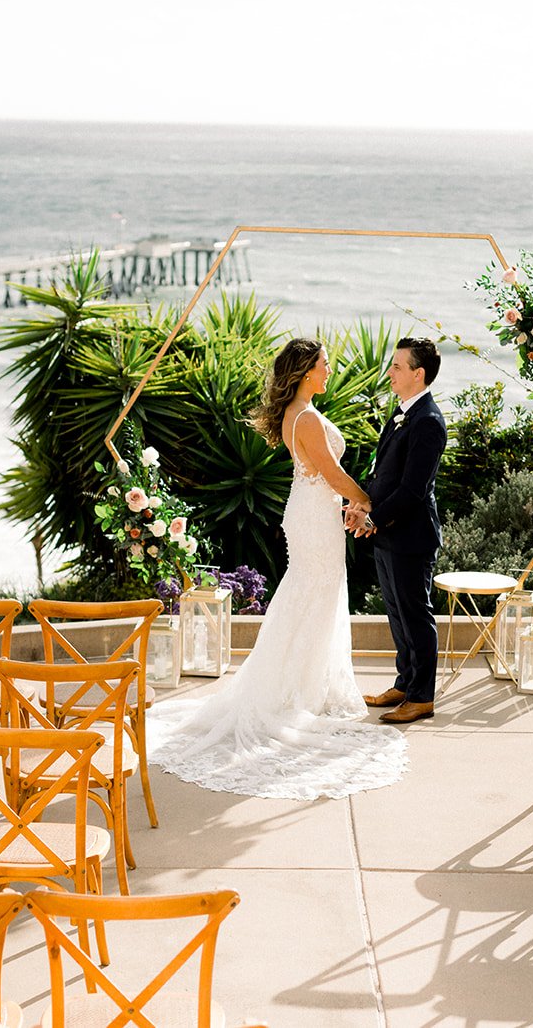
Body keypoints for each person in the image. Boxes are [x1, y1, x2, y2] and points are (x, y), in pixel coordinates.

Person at [145, 338, 408, 800]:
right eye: (325, 365)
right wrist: (365, 499)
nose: (330, 371)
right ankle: (293, 693)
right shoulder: (305, 418)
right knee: (312, 595)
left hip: (312, 512)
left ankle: (306, 687)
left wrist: (350, 501)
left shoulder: (300, 412)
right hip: (312, 514)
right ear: (307, 371)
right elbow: (330, 472)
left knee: (314, 596)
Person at [348, 337, 447, 724]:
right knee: (396, 614)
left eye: (397, 367)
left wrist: (373, 519)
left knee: (415, 615)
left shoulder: (428, 422)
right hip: (388, 533)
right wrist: (361, 504)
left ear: (418, 374)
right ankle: (405, 683)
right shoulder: (401, 413)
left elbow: (412, 490)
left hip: (412, 537)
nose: (390, 372)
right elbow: (381, 473)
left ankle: (422, 696)